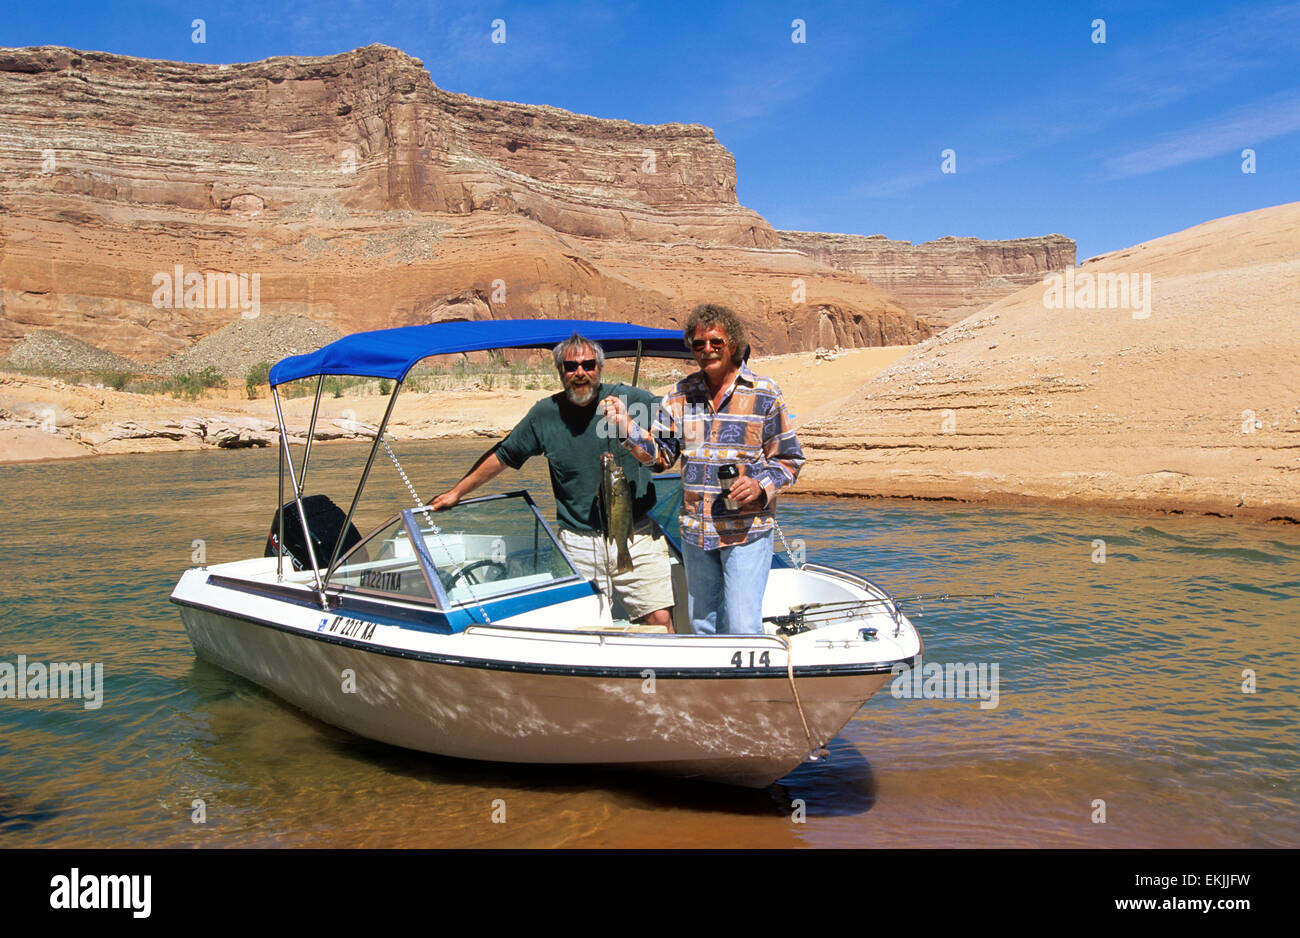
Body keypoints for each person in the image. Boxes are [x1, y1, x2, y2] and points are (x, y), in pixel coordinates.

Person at [427, 333, 674, 627]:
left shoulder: (632, 399)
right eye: (571, 367)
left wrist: (629, 425)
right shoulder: (545, 414)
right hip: (578, 539)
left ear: (600, 367)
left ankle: (658, 673)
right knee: (585, 626)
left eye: (587, 365)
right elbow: (504, 455)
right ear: (560, 371)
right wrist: (457, 492)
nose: (580, 373)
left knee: (658, 619)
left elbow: (673, 433)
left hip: (637, 533)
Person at [601, 304, 804, 635]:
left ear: (733, 345)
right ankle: (712, 687)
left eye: (715, 342)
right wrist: (627, 427)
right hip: (696, 532)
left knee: (742, 626)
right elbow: (662, 457)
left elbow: (789, 459)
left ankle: (744, 684)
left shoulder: (764, 393)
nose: (707, 350)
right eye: (698, 344)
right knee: (701, 626)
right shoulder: (680, 397)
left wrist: (759, 485)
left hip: (746, 531)